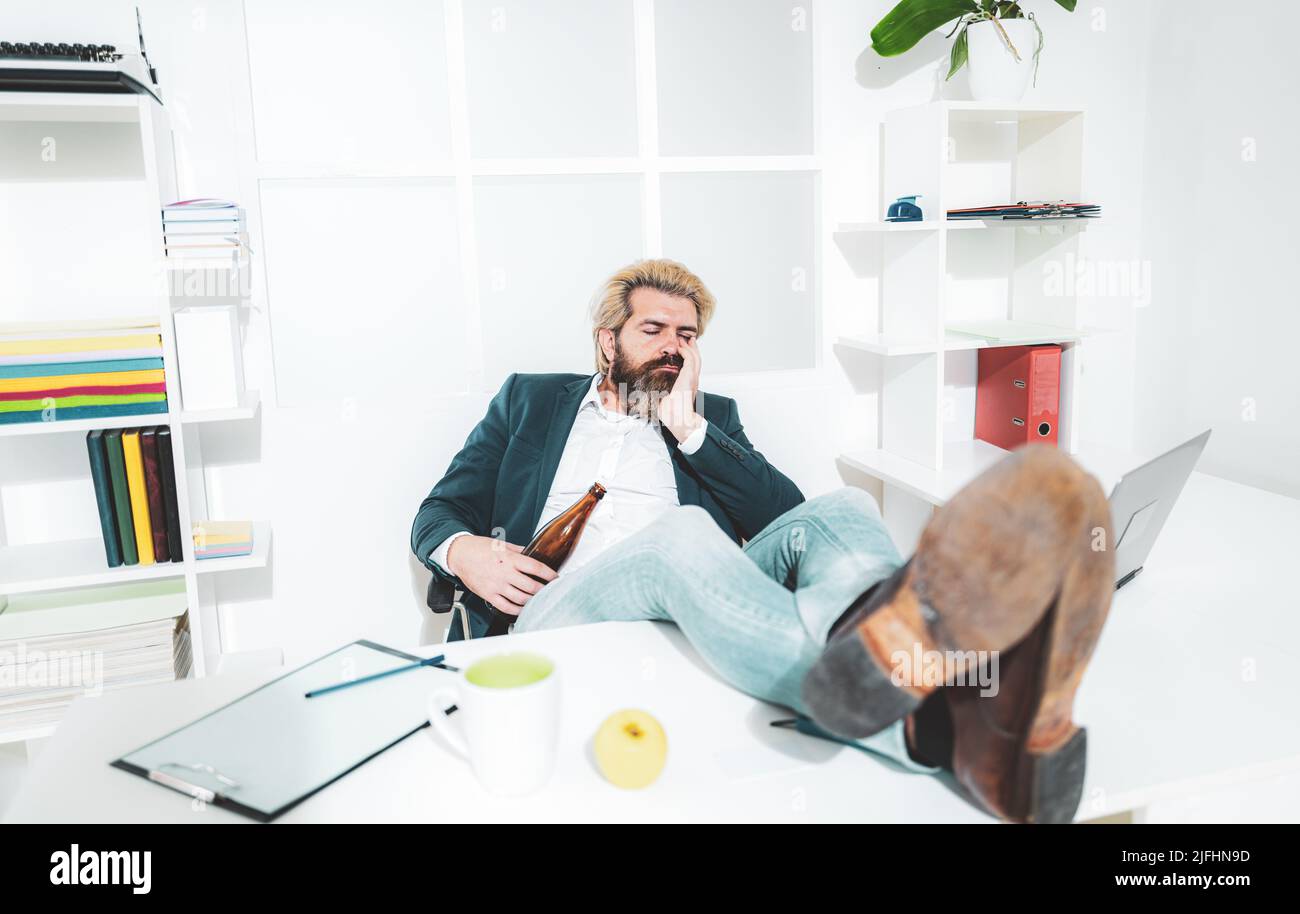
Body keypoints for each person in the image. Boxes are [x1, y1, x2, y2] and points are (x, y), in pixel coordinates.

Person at [412, 259, 1114, 822]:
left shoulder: (710, 417)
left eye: (686, 337)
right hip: (561, 607)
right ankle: (937, 719)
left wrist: (690, 431)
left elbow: (786, 514)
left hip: (696, 597)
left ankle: (898, 665)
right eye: (654, 329)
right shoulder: (529, 400)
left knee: (840, 508)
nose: (672, 347)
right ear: (608, 339)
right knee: (678, 535)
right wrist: (465, 552)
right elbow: (441, 508)